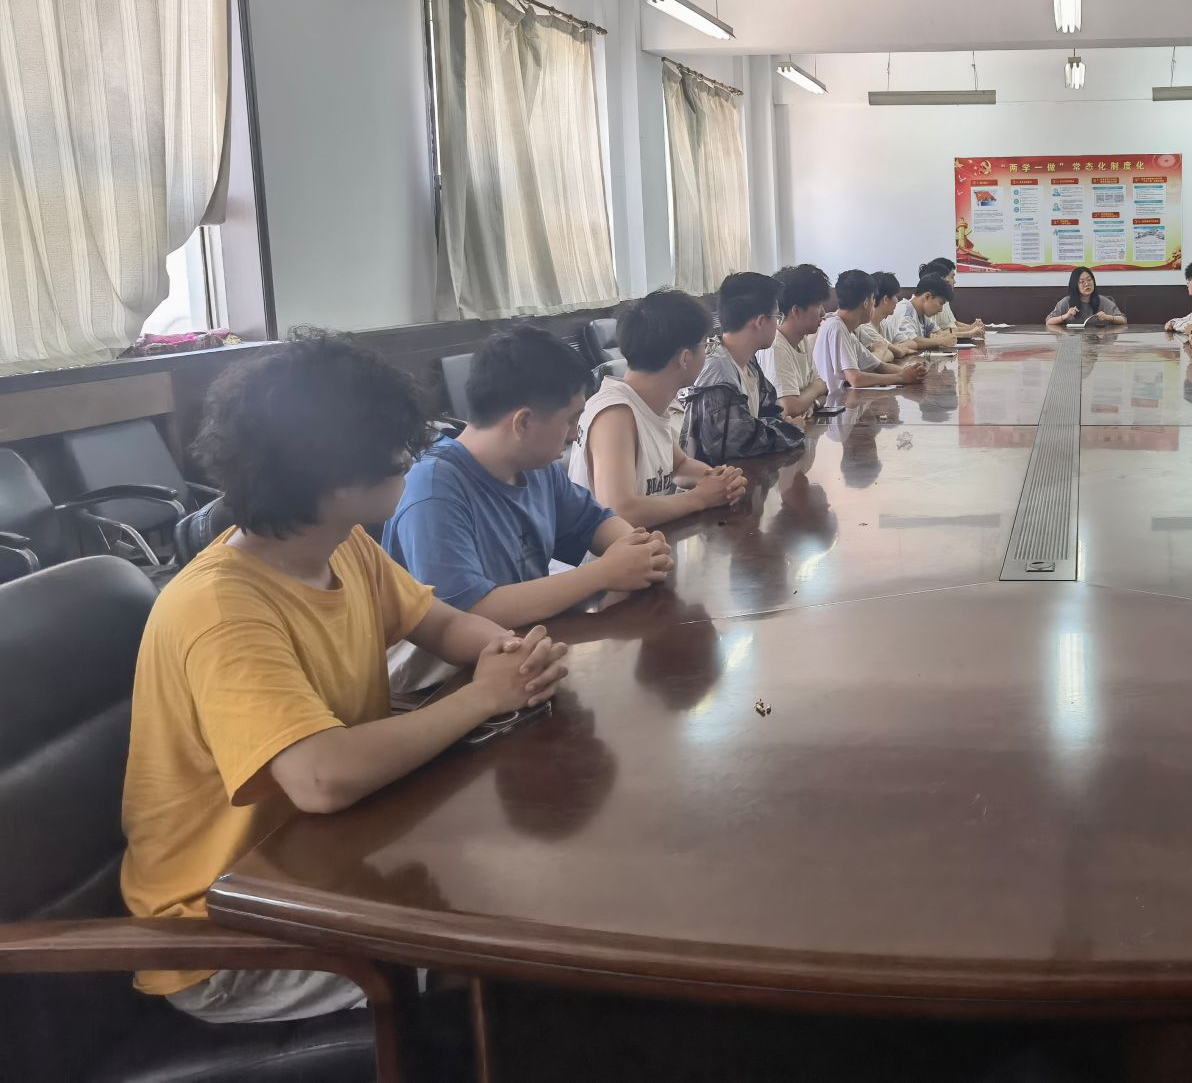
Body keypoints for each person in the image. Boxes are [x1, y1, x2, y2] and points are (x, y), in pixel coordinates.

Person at [121, 332, 571, 1025]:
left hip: (321, 865)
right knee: (515, 936)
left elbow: (439, 622)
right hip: (224, 935)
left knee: (522, 884)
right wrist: (485, 696)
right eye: (394, 450)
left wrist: (509, 652)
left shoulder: (343, 544)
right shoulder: (221, 607)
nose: (410, 461)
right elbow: (320, 778)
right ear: (329, 476)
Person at [383, 326, 673, 690]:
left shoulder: (536, 467)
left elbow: (595, 521)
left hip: (522, 664)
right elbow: (471, 611)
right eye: (570, 420)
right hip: (443, 686)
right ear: (523, 422)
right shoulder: (434, 490)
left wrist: (639, 549)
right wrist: (604, 573)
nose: (574, 433)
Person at [566, 289, 747, 526]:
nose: (707, 352)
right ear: (685, 358)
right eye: (705, 345)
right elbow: (619, 511)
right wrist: (700, 498)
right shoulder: (615, 414)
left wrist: (718, 481)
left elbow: (679, 466)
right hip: (612, 548)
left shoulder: (652, 402)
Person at [683, 271, 808, 466]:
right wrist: (792, 429)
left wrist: (782, 424)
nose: (778, 324)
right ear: (760, 321)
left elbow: (770, 412)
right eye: (777, 316)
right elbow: (741, 440)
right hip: (714, 479)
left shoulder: (748, 361)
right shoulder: (718, 372)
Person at [817, 269, 930, 390]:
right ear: (866, 303)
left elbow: (879, 366)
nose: (874, 305)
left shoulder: (848, 331)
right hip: (835, 399)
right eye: (873, 299)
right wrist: (901, 377)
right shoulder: (836, 326)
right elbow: (855, 379)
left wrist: (910, 371)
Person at [760, 264, 832, 420]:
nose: (823, 312)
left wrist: (812, 403)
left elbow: (825, 388)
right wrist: (815, 388)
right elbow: (789, 407)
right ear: (796, 311)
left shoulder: (802, 340)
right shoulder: (776, 347)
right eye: (818, 305)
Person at [886, 274, 958, 350]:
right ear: (927, 296)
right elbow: (912, 341)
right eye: (940, 303)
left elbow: (939, 333)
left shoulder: (923, 313)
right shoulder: (906, 312)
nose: (941, 310)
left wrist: (945, 337)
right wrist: (941, 341)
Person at [919, 256, 985, 337]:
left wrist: (973, 327)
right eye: (952, 277)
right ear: (941, 279)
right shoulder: (929, 303)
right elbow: (935, 335)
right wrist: (969, 332)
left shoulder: (940, 300)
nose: (954, 281)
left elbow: (952, 326)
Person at [1046, 266, 1126, 327]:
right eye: (1081, 282)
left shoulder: (1103, 300)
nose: (1087, 284)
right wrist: (1066, 316)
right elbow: (1049, 321)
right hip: (1073, 340)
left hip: (1097, 340)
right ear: (1075, 285)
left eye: (1089, 280)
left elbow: (1123, 319)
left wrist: (1107, 317)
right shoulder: (1066, 301)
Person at [860, 272, 914, 362]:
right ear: (885, 299)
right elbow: (897, 352)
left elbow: (912, 343)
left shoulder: (884, 323)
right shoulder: (864, 326)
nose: (897, 300)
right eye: (895, 296)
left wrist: (894, 348)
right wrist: (896, 350)